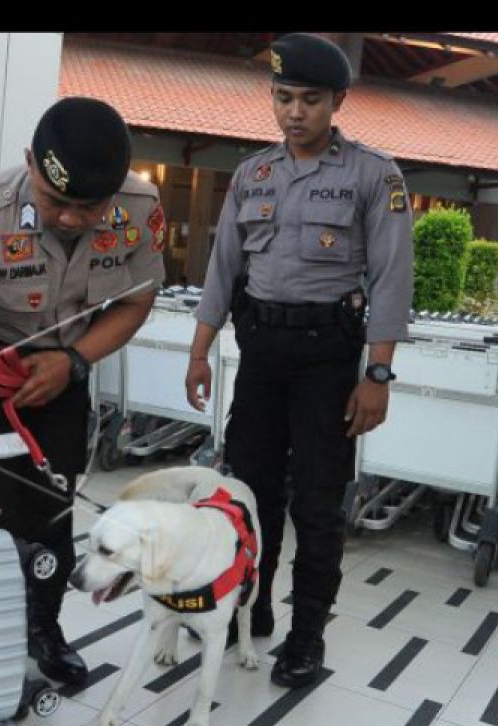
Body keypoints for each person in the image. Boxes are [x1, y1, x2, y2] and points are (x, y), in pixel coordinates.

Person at [186, 33, 413, 688]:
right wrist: (201, 349)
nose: (294, 113)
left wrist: (377, 374)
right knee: (248, 494)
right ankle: (251, 609)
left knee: (316, 500)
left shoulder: (376, 175)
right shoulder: (252, 174)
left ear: (338, 101)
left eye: (309, 100)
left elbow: (394, 279)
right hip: (260, 352)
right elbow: (223, 269)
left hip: (328, 358)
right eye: (283, 98)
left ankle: (306, 632)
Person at [0, 97, 167, 685]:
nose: (74, 219)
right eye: (58, 201)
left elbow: (137, 301)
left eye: (90, 207)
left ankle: (42, 627)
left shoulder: (138, 209)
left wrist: (74, 361)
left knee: (53, 506)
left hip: (65, 364)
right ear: (31, 162)